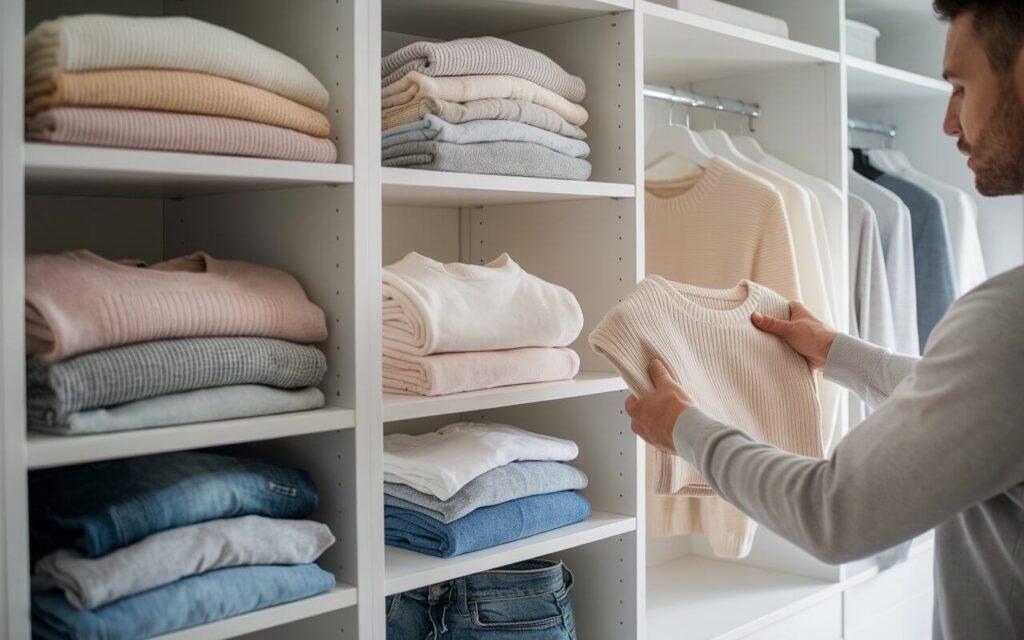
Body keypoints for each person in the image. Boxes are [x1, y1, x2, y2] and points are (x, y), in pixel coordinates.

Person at [624, 2, 1024, 639]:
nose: (949, 121)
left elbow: (833, 512)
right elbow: (980, 403)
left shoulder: (1008, 319)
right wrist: (839, 353)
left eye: (960, 86)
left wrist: (684, 428)